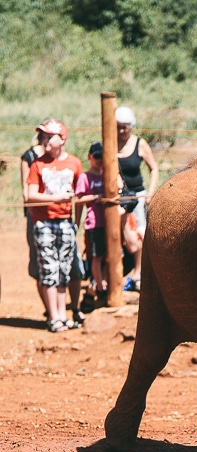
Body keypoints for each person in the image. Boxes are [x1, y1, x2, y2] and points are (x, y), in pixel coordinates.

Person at [25, 118, 83, 332]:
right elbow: (30, 195)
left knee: (64, 269)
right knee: (48, 268)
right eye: (43, 137)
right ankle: (54, 316)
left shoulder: (74, 163)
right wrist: (57, 198)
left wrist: (75, 222)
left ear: (62, 139)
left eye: (50, 136)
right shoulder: (37, 164)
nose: (45, 140)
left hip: (65, 223)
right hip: (44, 223)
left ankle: (63, 314)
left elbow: (79, 194)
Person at [115, 105, 158, 291]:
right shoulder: (109, 143)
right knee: (116, 235)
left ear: (131, 126)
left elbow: (153, 168)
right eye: (118, 126)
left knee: (140, 234)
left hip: (137, 196)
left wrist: (150, 192)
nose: (122, 131)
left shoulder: (139, 143)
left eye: (125, 126)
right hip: (117, 198)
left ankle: (139, 274)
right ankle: (115, 275)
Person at [75, 141, 108, 304]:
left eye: (102, 156)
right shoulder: (85, 177)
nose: (99, 160)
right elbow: (78, 199)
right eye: (97, 157)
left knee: (110, 255)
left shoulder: (107, 174)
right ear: (90, 157)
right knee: (96, 256)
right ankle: (100, 287)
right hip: (94, 223)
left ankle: (103, 283)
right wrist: (96, 198)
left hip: (108, 222)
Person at [20, 131, 45, 310]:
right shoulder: (29, 157)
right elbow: (26, 192)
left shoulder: (61, 157)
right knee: (38, 260)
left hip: (58, 215)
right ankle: (49, 309)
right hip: (36, 215)